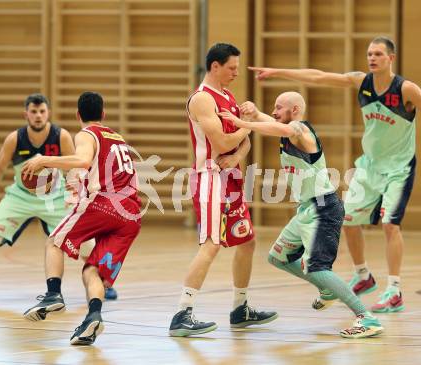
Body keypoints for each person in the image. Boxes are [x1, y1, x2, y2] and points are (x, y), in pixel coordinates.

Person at [249, 36, 421, 313]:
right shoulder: (361, 82)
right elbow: (318, 77)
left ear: (391, 58)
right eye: (369, 54)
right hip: (369, 166)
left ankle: (395, 289)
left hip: (399, 168)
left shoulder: (407, 89)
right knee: (349, 219)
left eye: (378, 54)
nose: (372, 58)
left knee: (390, 224)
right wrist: (278, 72)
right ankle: (363, 275)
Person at [218, 91, 384, 338]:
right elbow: (275, 124)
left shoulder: (300, 129)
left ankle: (367, 318)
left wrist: (244, 123)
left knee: (317, 266)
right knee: (278, 257)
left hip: (323, 209)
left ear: (294, 110)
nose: (274, 112)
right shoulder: (286, 127)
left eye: (279, 107)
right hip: (306, 209)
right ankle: (326, 289)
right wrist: (255, 114)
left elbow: (284, 129)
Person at [168, 43, 278, 337]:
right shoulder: (202, 100)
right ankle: (182, 313)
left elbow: (242, 146)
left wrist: (240, 148)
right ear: (214, 66)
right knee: (211, 245)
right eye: (231, 68)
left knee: (247, 241)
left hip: (231, 180)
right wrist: (249, 125)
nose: (235, 74)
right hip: (210, 180)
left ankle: (240, 308)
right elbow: (223, 143)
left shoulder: (228, 97)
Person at [22, 91, 141, 345]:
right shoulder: (117, 137)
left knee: (54, 242)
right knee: (92, 271)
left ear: (78, 115)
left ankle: (54, 295)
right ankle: (93, 317)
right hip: (131, 215)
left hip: (106, 205)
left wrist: (45, 160)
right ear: (104, 114)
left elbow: (84, 160)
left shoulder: (87, 134)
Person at [0, 93, 118, 300]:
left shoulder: (60, 136)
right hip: (20, 196)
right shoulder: (15, 139)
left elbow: (76, 168)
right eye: (34, 111)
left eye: (42, 111)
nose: (38, 115)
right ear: (26, 114)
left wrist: (77, 195)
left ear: (48, 113)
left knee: (85, 242)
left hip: (55, 196)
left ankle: (103, 283)